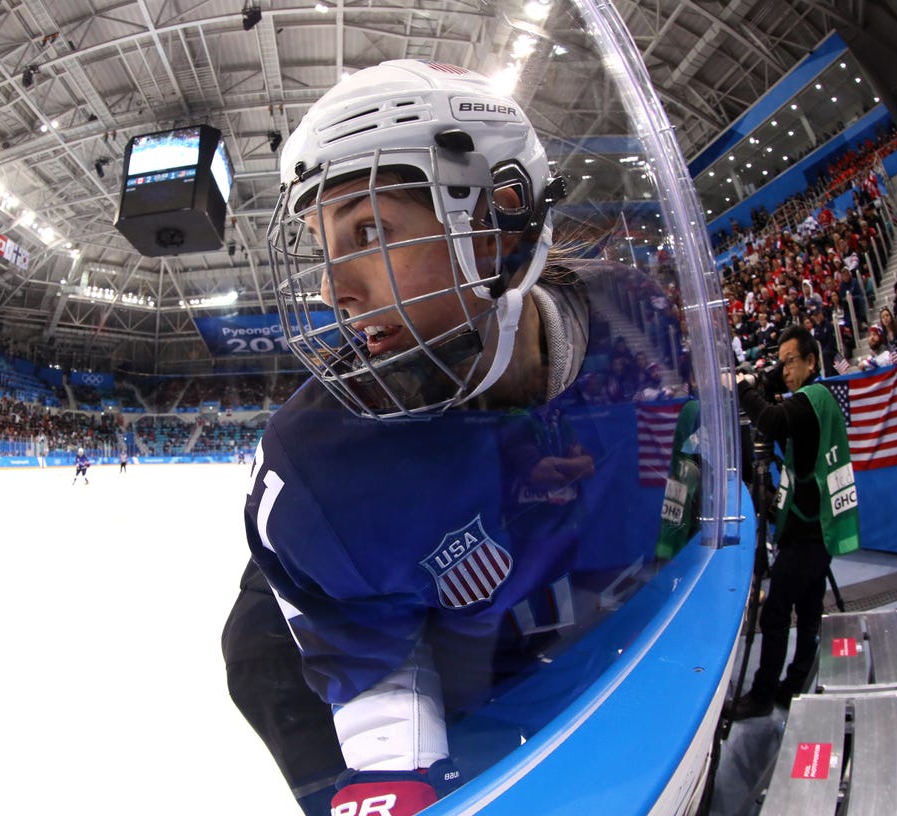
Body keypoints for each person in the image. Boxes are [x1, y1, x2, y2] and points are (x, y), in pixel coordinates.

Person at [223, 60, 648, 816]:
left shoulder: (635, 327)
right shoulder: (326, 469)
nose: (332, 290)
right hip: (323, 644)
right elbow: (366, 671)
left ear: (495, 224)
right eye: (323, 245)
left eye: (369, 231)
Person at [728, 325, 859, 719]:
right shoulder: (815, 401)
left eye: (790, 362)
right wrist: (766, 383)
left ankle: (763, 695)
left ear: (811, 362)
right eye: (780, 363)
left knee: (775, 612)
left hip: (809, 531)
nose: (784, 371)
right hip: (818, 524)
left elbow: (770, 420)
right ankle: (795, 682)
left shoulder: (810, 399)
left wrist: (743, 387)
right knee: (808, 607)